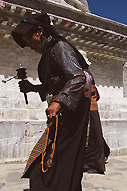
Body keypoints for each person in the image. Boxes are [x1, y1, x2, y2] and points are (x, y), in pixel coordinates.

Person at [11, 13, 92, 191]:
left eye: (29, 38)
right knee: (54, 159)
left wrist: (59, 102)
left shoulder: (60, 47)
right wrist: (32, 88)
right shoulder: (49, 52)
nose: (29, 45)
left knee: (59, 160)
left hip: (70, 116)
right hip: (61, 114)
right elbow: (54, 85)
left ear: (40, 31)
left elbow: (77, 78)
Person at [79, 50, 110, 174]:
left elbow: (87, 92)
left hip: (87, 108)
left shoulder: (84, 75)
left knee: (91, 136)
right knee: (94, 134)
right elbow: (97, 95)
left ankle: (93, 162)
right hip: (91, 107)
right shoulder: (88, 74)